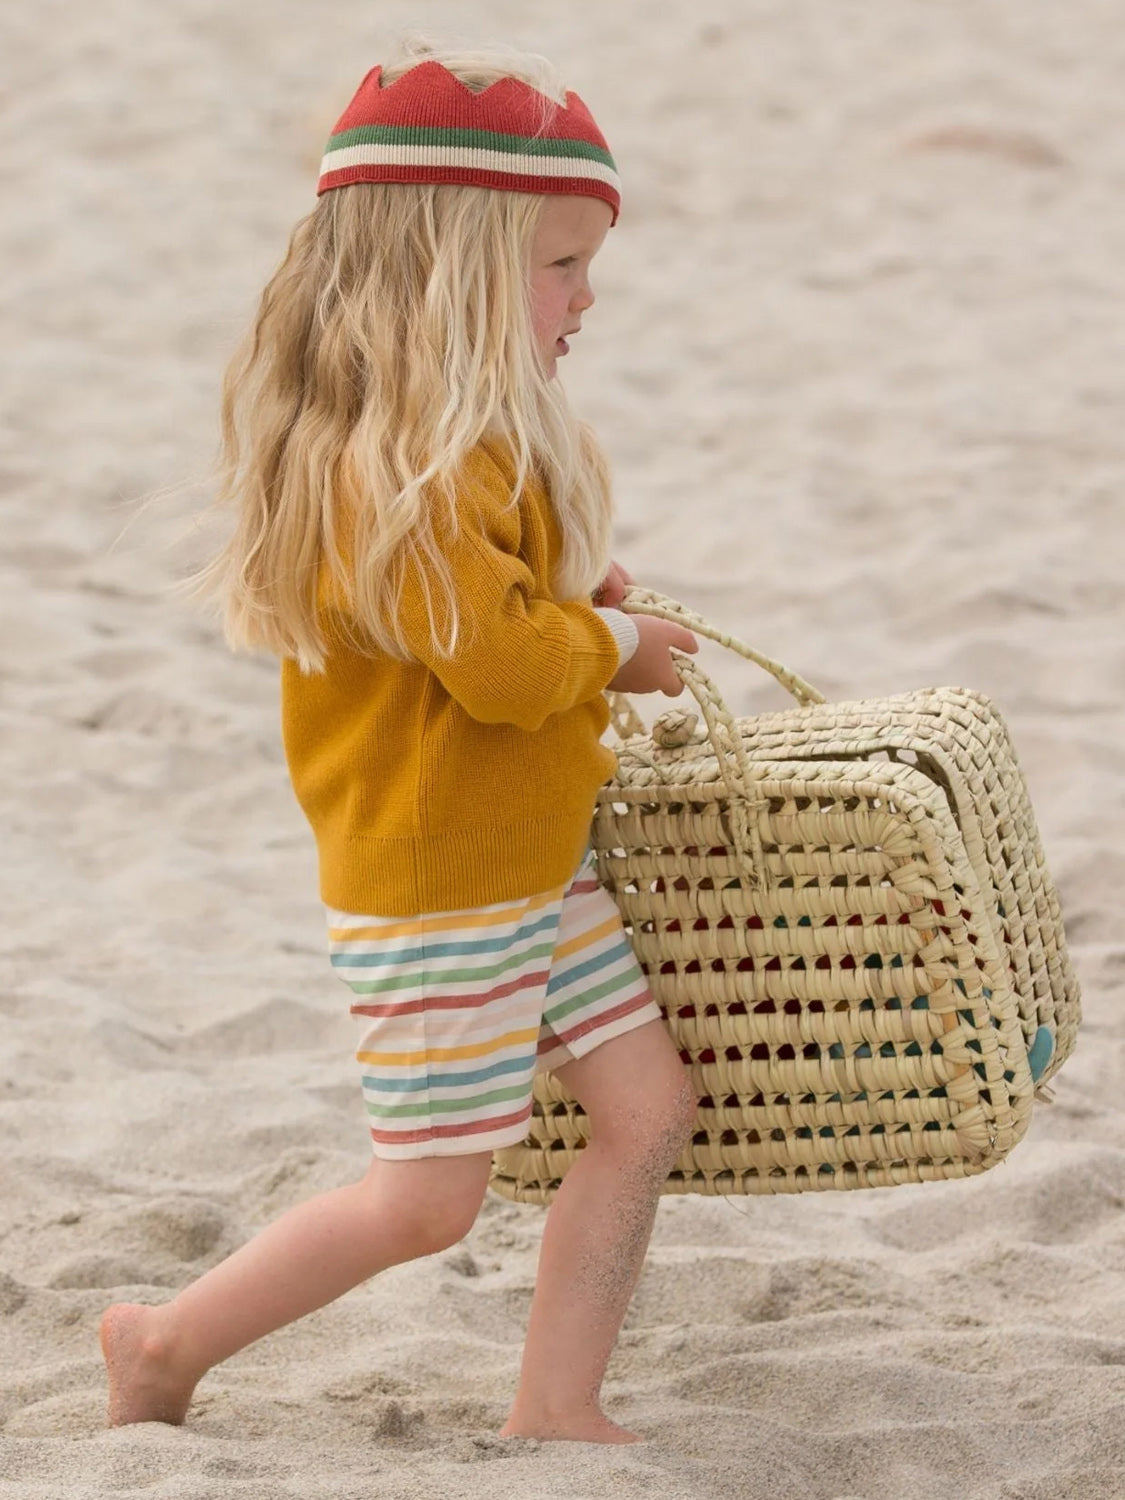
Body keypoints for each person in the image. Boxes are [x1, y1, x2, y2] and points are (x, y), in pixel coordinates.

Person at [100, 41, 700, 1445]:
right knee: (425, 1202)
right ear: (451, 274)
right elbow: (495, 672)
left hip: (529, 856)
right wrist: (610, 648)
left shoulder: (464, 446)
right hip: (441, 887)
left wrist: (574, 604)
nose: (585, 297)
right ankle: (164, 1339)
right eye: (559, 265)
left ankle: (557, 1406)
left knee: (645, 1102)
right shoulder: (402, 469)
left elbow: (484, 622)